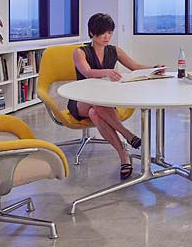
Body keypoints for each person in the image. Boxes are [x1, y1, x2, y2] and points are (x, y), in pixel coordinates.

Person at [69, 13, 165, 180]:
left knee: (95, 111)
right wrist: (108, 72)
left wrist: (154, 68)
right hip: (81, 100)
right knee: (94, 105)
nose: (107, 37)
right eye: (102, 33)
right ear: (92, 33)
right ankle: (127, 134)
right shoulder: (80, 52)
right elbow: (87, 72)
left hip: (103, 101)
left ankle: (123, 156)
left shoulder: (114, 51)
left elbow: (134, 66)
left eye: (110, 32)